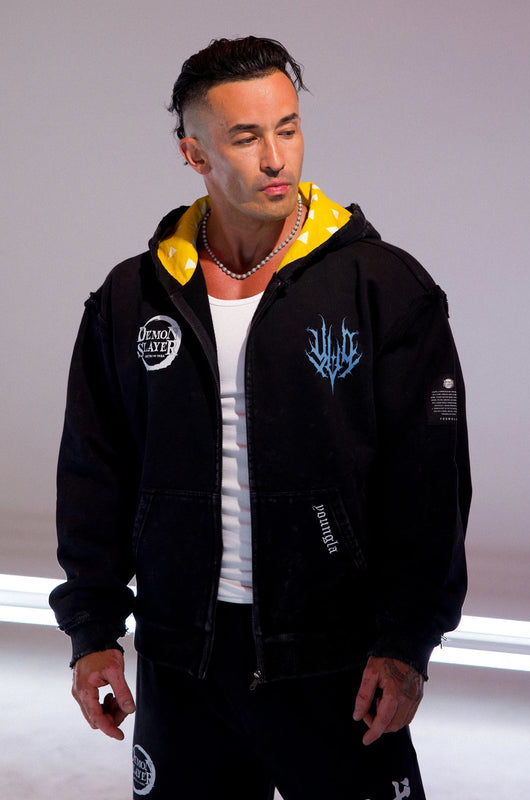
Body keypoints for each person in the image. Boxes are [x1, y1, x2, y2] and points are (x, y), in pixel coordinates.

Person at [50, 35, 471, 800]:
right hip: (183, 659)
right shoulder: (133, 297)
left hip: (337, 659)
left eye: (288, 128)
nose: (276, 158)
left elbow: (428, 481)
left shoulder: (382, 287)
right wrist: (92, 629)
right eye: (245, 137)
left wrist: (406, 640)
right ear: (194, 154)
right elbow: (94, 468)